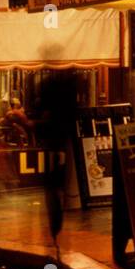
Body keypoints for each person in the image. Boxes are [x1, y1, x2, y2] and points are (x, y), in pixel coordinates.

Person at [34, 70, 81, 257]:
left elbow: (43, 112)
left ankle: (55, 225)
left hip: (52, 138)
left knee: (51, 185)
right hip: (67, 137)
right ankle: (56, 224)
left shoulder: (47, 83)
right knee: (58, 182)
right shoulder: (72, 81)